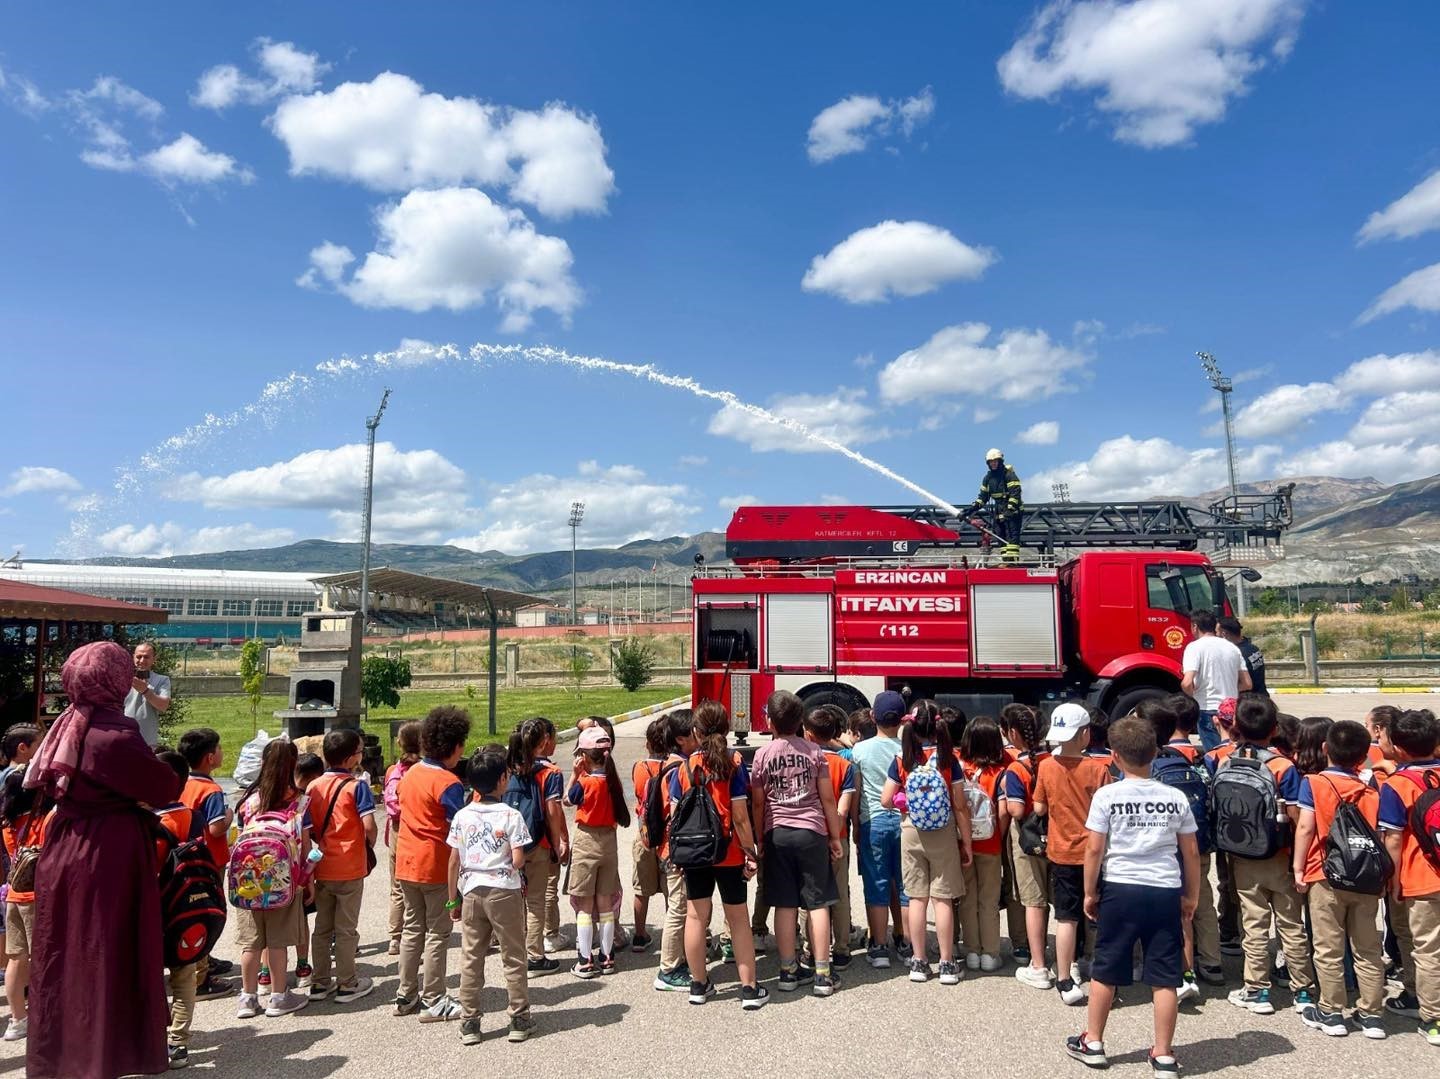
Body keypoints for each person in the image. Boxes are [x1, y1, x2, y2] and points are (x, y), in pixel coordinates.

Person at [26, 639, 183, 1079]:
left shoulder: (65, 725)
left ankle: (60, 1055)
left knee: (64, 950)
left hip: (64, 845)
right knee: (106, 950)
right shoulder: (113, 733)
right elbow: (163, 787)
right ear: (115, 680)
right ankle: (105, 1056)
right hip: (107, 851)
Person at [1065, 716, 1200, 1077]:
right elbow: (1190, 851)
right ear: (1155, 753)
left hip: (1121, 887)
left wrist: (1090, 892)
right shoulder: (1174, 797)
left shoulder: (1108, 796)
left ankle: (1094, 1041)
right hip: (1164, 888)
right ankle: (1164, 1053)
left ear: (1115, 757)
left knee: (1107, 966)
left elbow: (1094, 849)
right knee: (1165, 974)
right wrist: (1191, 894)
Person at [1291, 719, 1388, 1039]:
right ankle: (1372, 1014)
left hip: (1325, 873)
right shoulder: (1371, 788)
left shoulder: (1314, 783)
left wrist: (1298, 868)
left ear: (1325, 748)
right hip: (1365, 876)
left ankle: (1331, 1011)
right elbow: (1381, 834)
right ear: (1363, 756)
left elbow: (1305, 827)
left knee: (1328, 946)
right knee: (1367, 947)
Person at [668, 700, 767, 1009]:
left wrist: (676, 853)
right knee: (738, 918)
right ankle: (749, 988)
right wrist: (750, 851)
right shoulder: (733, 763)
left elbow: (674, 815)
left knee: (696, 916)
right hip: (729, 850)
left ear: (695, 732)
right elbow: (740, 816)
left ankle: (698, 984)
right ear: (726, 729)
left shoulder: (684, 768)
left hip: (694, 851)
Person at [1221, 695, 1316, 1016]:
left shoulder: (1225, 762)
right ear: (1274, 729)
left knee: (1254, 923)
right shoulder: (1282, 766)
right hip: (1280, 855)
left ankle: (1257, 989)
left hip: (1243, 856)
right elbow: (1295, 816)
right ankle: (1302, 989)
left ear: (1236, 727)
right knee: (1291, 924)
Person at [751, 691, 844, 997]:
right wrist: (834, 836)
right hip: (811, 833)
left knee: (785, 904)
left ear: (770, 722)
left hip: (777, 833)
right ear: (801, 721)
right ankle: (822, 973)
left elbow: (758, 803)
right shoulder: (814, 752)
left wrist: (760, 838)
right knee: (818, 903)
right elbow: (828, 799)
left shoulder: (762, 756)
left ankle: (787, 970)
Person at [881, 700, 973, 985]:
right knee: (942, 899)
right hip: (943, 831)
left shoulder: (903, 759)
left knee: (916, 898)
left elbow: (886, 799)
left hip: (912, 829)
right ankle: (947, 963)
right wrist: (966, 842)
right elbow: (960, 805)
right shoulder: (947, 760)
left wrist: (904, 802)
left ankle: (919, 961)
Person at [447, 744, 534, 1045]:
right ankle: (519, 1018)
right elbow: (518, 860)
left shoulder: (462, 816)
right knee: (513, 954)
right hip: (504, 890)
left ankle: (470, 1022)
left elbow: (453, 860)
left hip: (471, 890)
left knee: (472, 957)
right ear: (502, 780)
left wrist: (453, 898)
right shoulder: (511, 815)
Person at [395, 705, 471, 1022]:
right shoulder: (448, 782)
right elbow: (460, 825)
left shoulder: (410, 773)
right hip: (434, 864)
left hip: (406, 860)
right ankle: (434, 998)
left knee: (412, 928)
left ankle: (405, 993)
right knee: (438, 933)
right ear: (454, 746)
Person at [1033, 702, 1112, 1006]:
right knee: (1100, 916)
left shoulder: (1046, 767)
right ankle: (1104, 978)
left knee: (1066, 918)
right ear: (1085, 734)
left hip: (1061, 851)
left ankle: (1065, 978)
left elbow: (1039, 807)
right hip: (1095, 852)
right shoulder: (1098, 769)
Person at [233, 739, 312, 1020]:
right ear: (294, 764)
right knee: (277, 942)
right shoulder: (300, 801)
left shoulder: (249, 801)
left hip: (248, 882)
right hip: (283, 881)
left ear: (262, 763)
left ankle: (247, 998)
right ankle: (279, 997)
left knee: (252, 943)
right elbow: (305, 846)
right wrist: (308, 881)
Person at [1378, 708, 1440, 1045]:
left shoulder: (1398, 785)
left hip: (1420, 877)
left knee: (1426, 948)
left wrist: (1393, 880)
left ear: (1399, 749)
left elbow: (1393, 839)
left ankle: (1432, 1015)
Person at [307, 728, 378, 1004]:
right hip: (349, 865)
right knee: (346, 929)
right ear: (350, 758)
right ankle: (347, 982)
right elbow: (369, 826)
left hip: (323, 864)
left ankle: (319, 981)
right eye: (359, 751)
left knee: (322, 927)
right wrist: (368, 845)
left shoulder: (313, 786)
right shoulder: (357, 786)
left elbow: (310, 828)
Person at [565, 725, 630, 978]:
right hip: (608, 844)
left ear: (584, 756)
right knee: (605, 902)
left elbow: (568, 800)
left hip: (587, 841)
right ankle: (607, 956)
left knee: (584, 903)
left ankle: (584, 959)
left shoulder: (585, 782)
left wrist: (574, 775)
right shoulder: (612, 783)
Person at [852, 690, 909, 969]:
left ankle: (879, 946)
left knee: (877, 883)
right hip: (904, 822)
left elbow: (856, 793)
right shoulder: (907, 750)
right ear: (902, 719)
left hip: (872, 822)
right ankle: (907, 942)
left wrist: (855, 825)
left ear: (873, 716)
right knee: (905, 886)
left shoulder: (859, 751)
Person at [177, 726, 236, 999]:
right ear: (210, 757)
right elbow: (216, 828)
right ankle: (201, 975)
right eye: (219, 748)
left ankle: (204, 959)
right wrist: (229, 815)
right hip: (209, 861)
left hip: (184, 858)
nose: (222, 752)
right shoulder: (211, 790)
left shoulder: (182, 783)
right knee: (208, 912)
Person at [506, 717, 567, 975]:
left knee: (516, 899)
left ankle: (516, 952)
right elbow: (553, 812)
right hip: (538, 843)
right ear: (544, 742)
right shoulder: (550, 773)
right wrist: (558, 842)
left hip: (511, 843)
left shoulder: (511, 768)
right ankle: (535, 956)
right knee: (535, 901)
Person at [802, 705, 857, 970]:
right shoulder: (845, 765)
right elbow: (843, 809)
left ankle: (811, 949)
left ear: (808, 734)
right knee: (840, 892)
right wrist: (836, 834)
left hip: (809, 835)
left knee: (810, 894)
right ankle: (842, 948)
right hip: (839, 835)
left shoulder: (804, 762)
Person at [1002, 703, 1052, 986]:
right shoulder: (1053, 762)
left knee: (1033, 900)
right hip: (1057, 837)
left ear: (1012, 733)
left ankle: (1037, 962)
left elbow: (1017, 810)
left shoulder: (1016, 769)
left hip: (1028, 840)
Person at [153, 750, 196, 1068]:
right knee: (183, 975)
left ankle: (152, 1037)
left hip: (148, 908)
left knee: (150, 975)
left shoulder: (141, 820)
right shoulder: (189, 816)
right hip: (183, 906)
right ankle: (178, 1041)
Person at [2, 768, 51, 1044]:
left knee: (16, 958)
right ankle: (47, 1018)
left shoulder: (7, 824)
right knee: (43, 959)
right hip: (36, 897)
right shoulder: (42, 821)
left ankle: (17, 1020)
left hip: (13, 894)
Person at [958, 715, 1007, 972]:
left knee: (967, 898)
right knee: (988, 899)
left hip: (963, 843)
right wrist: (999, 834)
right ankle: (990, 953)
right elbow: (1003, 812)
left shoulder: (959, 766)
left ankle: (971, 951)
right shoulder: (999, 772)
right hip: (990, 843)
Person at [652, 710, 697, 991]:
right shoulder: (677, 768)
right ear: (681, 739)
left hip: (671, 847)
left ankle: (680, 958)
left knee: (680, 905)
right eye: (695, 732)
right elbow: (675, 814)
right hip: (676, 850)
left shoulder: (669, 762)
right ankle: (668, 969)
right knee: (678, 908)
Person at [1181, 610, 1252, 751]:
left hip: (1207, 709)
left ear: (1195, 626)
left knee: (1215, 755)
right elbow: (1247, 683)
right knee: (1233, 752)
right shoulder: (1232, 647)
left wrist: (1194, 697)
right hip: (1232, 709)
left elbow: (1186, 683)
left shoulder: (1194, 647)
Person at [384, 721, 422, 955]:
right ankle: (414, 935)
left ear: (399, 743)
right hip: (416, 828)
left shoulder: (392, 771)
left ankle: (395, 937)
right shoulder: (423, 771)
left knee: (397, 887)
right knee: (417, 888)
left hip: (397, 829)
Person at [630, 718, 668, 952]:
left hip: (644, 834)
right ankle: (673, 934)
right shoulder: (673, 768)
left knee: (641, 889)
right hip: (666, 836)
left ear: (648, 744)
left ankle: (640, 934)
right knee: (671, 891)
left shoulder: (639, 767)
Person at [966, 447, 1024, 562]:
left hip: (1013, 510)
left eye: (995, 461)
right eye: (991, 462)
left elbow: (1015, 492)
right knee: (1000, 533)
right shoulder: (988, 479)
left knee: (1011, 535)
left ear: (1000, 461)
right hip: (998, 510)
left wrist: (1010, 509)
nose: (993, 464)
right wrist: (971, 509)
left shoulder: (1009, 475)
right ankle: (1006, 561)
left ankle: (1012, 561)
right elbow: (983, 497)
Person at [124, 640, 172, 748]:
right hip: (123, 738)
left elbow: (163, 706)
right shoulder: (123, 679)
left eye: (146, 657)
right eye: (138, 657)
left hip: (147, 741)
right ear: (133, 657)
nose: (142, 660)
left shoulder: (162, 680)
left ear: (154, 659)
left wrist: (145, 691)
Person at [1218, 617, 1268, 698]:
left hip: (1249, 701)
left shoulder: (1236, 654)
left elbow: (1245, 684)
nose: (1215, 636)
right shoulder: (1253, 648)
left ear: (1224, 634)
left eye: (1216, 633)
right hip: (1262, 697)